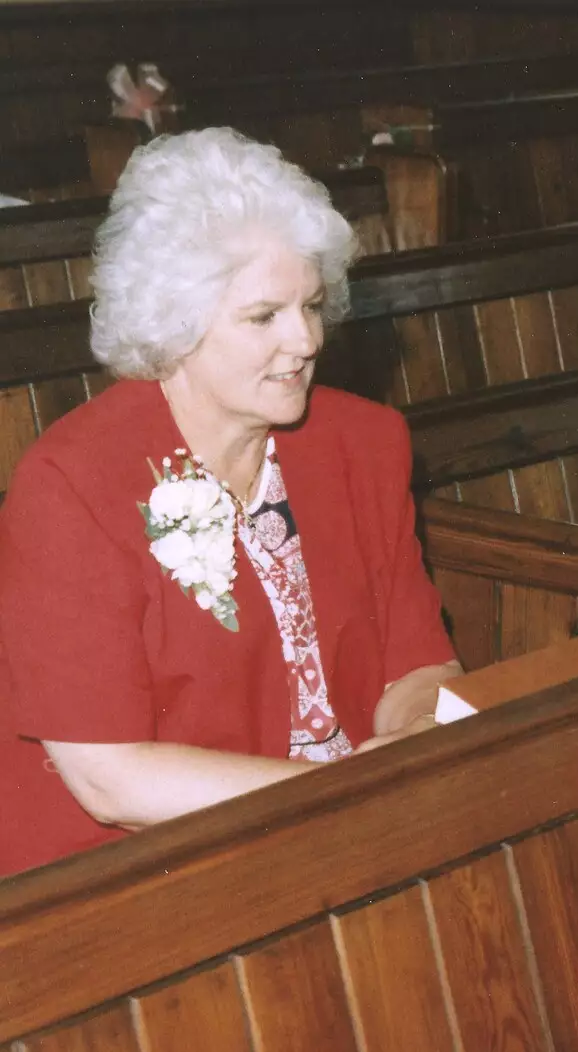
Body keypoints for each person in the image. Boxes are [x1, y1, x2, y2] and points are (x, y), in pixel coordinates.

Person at [0, 128, 461, 877]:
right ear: (172, 320)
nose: (306, 339)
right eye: (264, 316)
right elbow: (109, 779)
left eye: (312, 305)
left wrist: (410, 746)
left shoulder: (363, 443)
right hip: (136, 871)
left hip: (335, 829)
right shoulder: (71, 486)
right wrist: (343, 794)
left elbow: (420, 668)